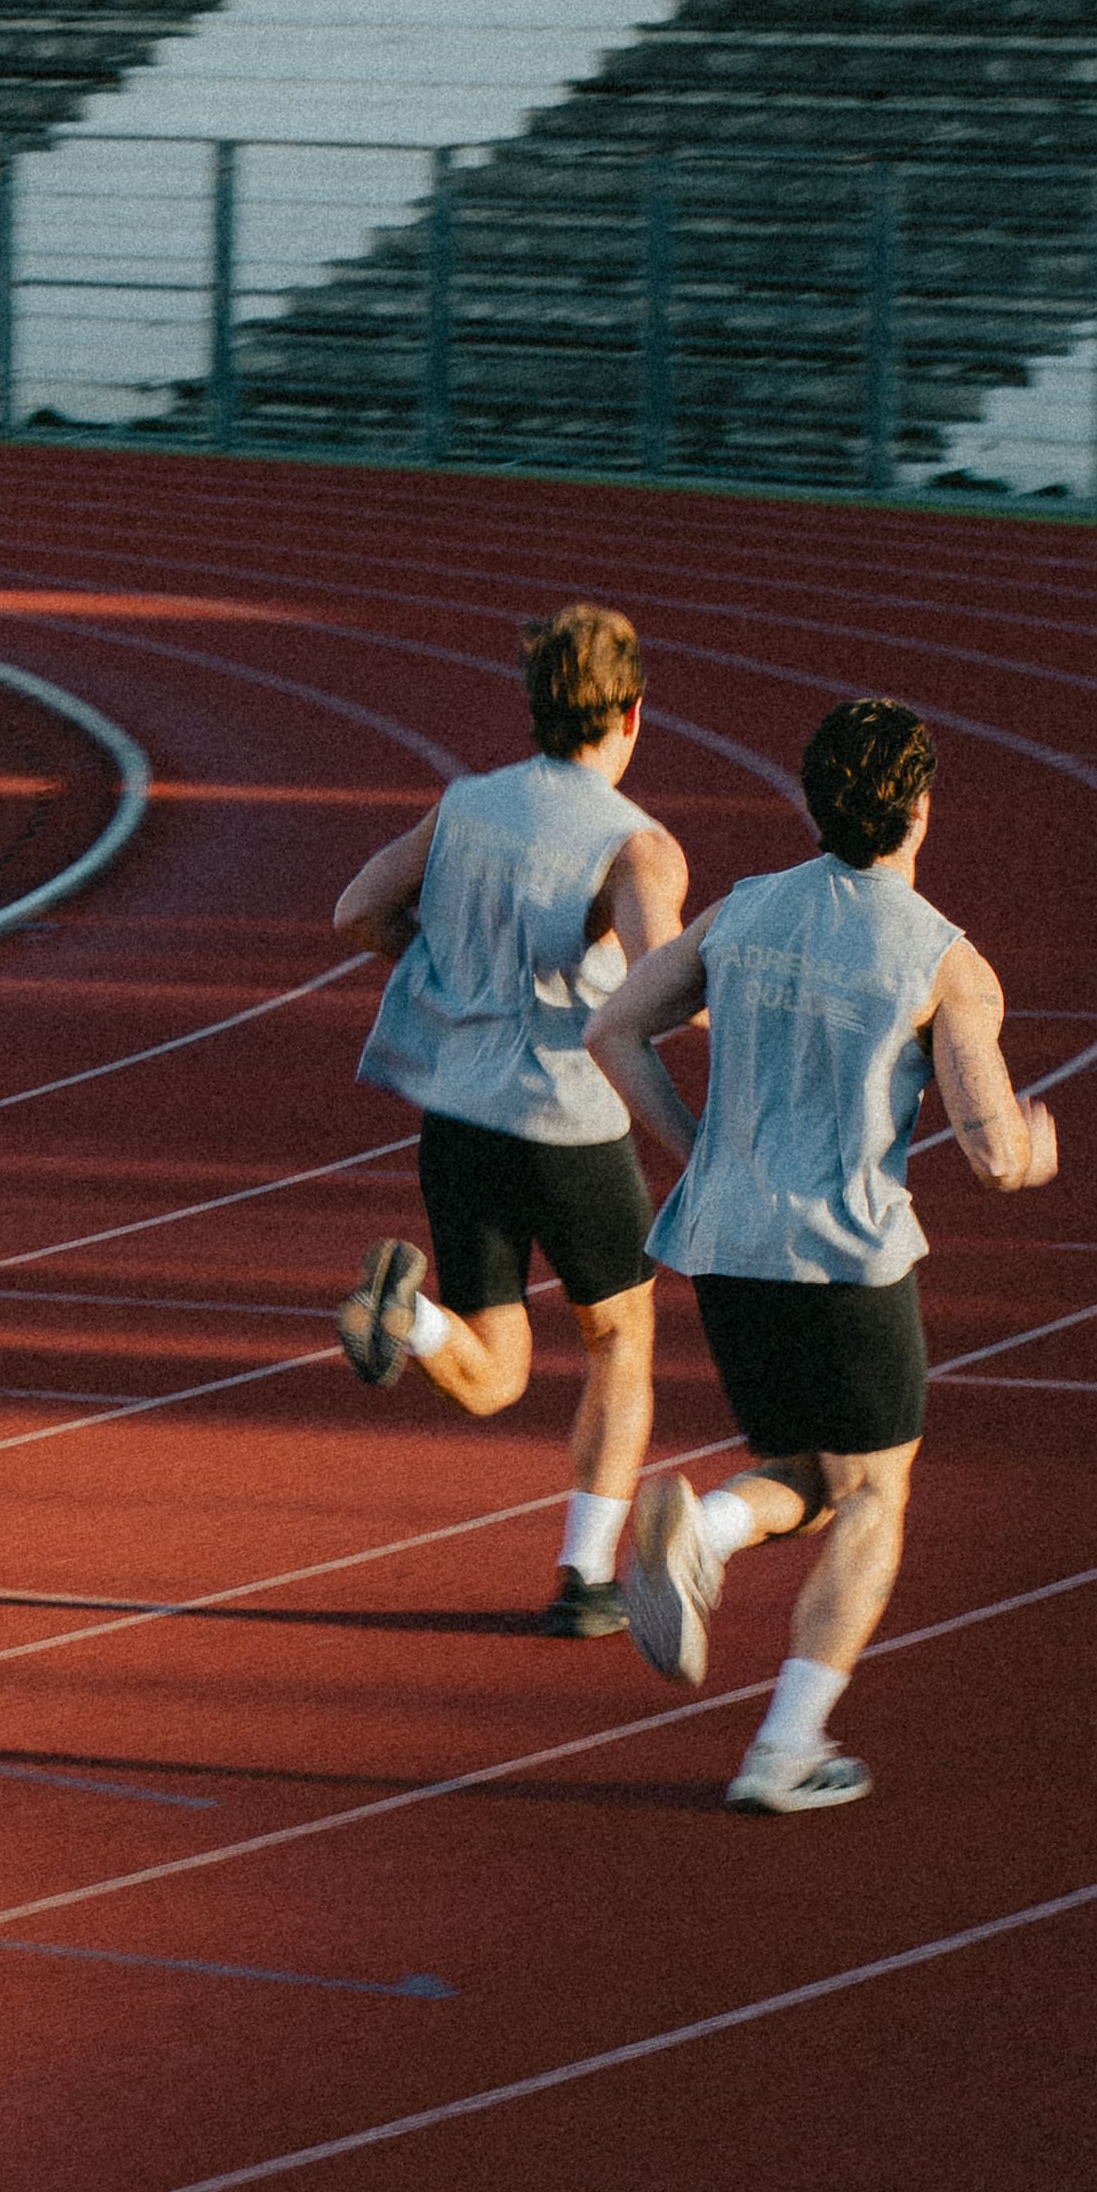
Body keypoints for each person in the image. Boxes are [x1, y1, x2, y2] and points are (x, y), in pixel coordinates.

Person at [585, 695, 1056, 1812]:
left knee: (810, 1468)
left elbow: (612, 1027)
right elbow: (990, 1152)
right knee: (878, 1499)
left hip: (725, 1248)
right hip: (846, 1259)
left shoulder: (742, 913)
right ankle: (785, 1746)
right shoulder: (945, 959)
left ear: (809, 799)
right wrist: (1033, 1149)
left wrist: (699, 1149)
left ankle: (703, 1528)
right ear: (922, 809)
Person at [330, 602, 697, 1635]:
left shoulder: (465, 805)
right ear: (631, 713)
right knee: (622, 1334)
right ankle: (584, 1575)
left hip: (456, 1110)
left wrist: (445, 962)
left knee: (492, 1369)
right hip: (568, 1121)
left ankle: (411, 1319)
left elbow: (355, 909)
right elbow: (657, 981)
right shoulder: (637, 846)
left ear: (535, 706)